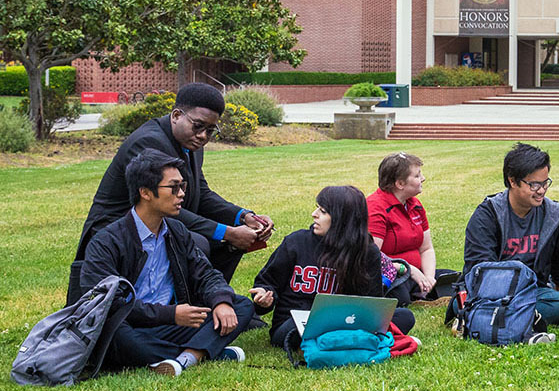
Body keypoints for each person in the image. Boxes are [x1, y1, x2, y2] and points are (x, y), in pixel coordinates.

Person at [74, 83, 273, 290]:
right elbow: (160, 206)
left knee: (228, 243)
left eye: (210, 130)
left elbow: (201, 194)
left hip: (160, 223)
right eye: (198, 126)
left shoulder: (191, 144)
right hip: (118, 229)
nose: (203, 135)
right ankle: (181, 308)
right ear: (177, 115)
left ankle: (213, 301)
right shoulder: (150, 143)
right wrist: (227, 232)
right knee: (198, 242)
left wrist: (243, 216)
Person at [78, 150, 255, 377]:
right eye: (173, 188)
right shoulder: (107, 241)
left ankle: (183, 359)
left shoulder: (176, 230)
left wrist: (221, 301)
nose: (181, 194)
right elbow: (109, 304)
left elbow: (206, 274)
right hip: (131, 325)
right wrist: (170, 314)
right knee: (115, 334)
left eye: (183, 186)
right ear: (145, 192)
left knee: (240, 306)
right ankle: (203, 352)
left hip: (171, 325)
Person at [250, 185, 416, 350]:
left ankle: (339, 340)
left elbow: (372, 304)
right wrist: (264, 297)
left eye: (323, 211)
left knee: (405, 317)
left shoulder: (366, 251)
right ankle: (350, 341)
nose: (314, 215)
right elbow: (267, 282)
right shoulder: (296, 242)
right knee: (293, 329)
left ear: (342, 219)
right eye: (317, 209)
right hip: (295, 323)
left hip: (345, 320)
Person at [460, 143, 559, 326]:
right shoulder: (488, 214)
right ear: (513, 181)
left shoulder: (556, 215)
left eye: (545, 183)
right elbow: (479, 267)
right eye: (534, 185)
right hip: (492, 293)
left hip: (533, 292)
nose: (542, 190)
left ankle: (490, 318)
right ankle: (505, 316)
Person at [367, 152, 456, 306]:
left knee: (456, 279)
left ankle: (426, 292)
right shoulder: (376, 208)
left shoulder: (415, 205)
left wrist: (429, 277)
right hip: (392, 274)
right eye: (417, 175)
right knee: (399, 296)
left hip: (418, 274)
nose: (423, 179)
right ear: (400, 184)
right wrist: (409, 270)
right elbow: (373, 257)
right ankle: (422, 296)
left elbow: (426, 248)